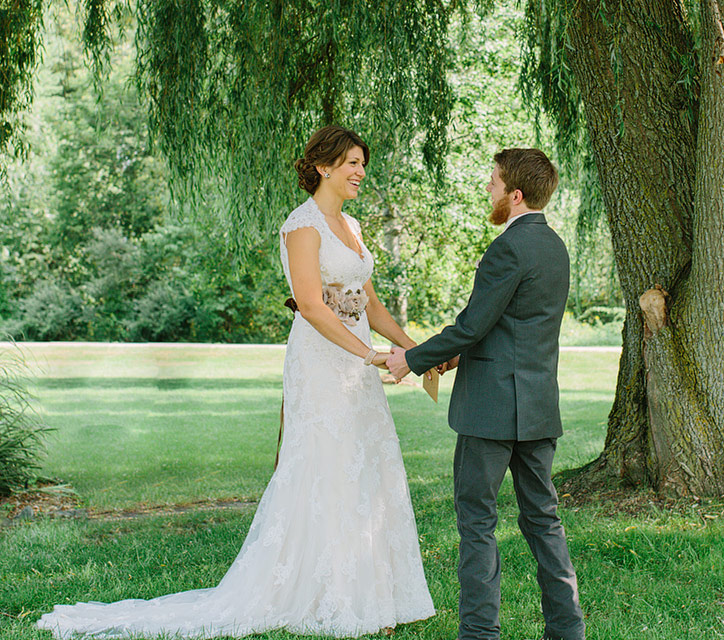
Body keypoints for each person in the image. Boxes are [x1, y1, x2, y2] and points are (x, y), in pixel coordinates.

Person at [37, 125, 435, 639]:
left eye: (363, 163)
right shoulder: (303, 226)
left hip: (357, 364)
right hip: (323, 361)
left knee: (364, 461)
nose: (361, 172)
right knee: (326, 462)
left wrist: (417, 351)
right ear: (324, 167)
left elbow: (372, 305)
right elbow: (312, 306)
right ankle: (324, 593)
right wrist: (370, 355)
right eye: (352, 163)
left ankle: (370, 591)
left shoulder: (352, 226)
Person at [386, 148, 586, 640]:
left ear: (515, 195)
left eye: (494, 182)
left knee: (476, 522)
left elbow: (473, 325)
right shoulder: (555, 247)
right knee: (543, 520)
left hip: (491, 411)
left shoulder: (507, 248)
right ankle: (568, 630)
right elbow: (512, 326)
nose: (489, 189)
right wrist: (456, 356)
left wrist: (410, 359)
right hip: (538, 407)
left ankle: (479, 634)